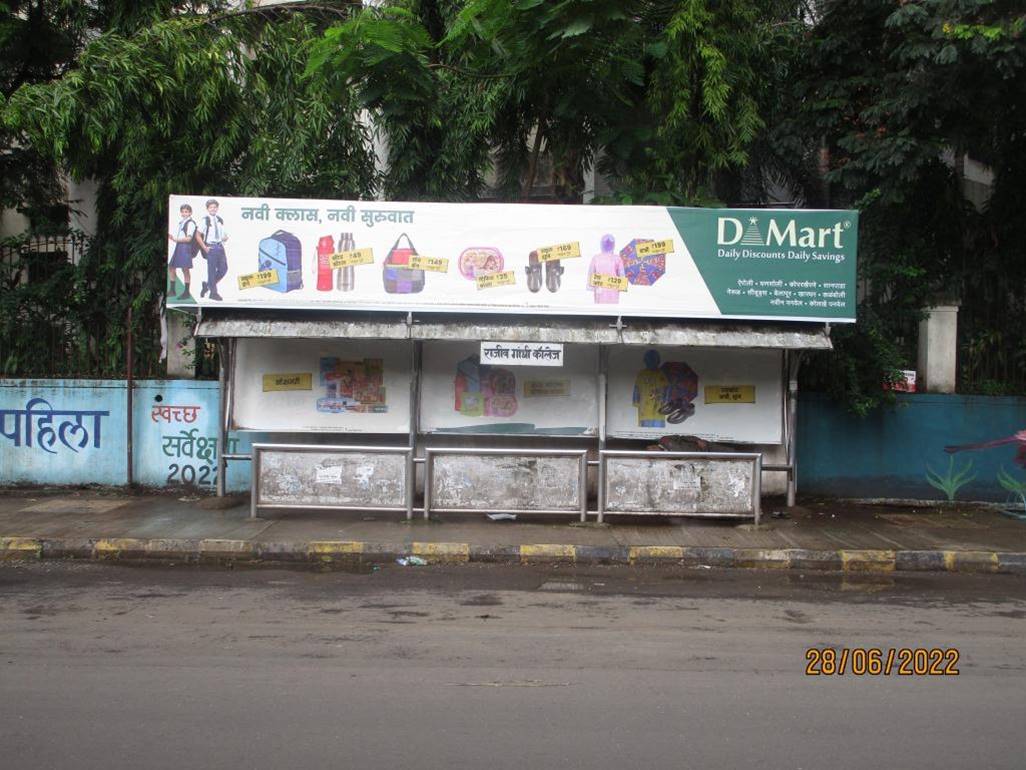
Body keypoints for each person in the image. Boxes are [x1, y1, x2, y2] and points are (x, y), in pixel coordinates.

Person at [196, 198, 228, 301]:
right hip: (211, 247)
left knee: (224, 269)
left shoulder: (219, 220)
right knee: (212, 271)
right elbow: (197, 235)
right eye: (211, 207)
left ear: (217, 208)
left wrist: (224, 238)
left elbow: (222, 234)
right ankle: (213, 294)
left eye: (215, 207)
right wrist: (204, 247)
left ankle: (208, 286)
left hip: (220, 246)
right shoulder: (205, 220)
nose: (213, 209)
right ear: (207, 209)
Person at [167, 203, 197, 300]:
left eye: (187, 212)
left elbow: (188, 239)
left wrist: (176, 239)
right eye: (183, 212)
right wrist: (173, 239)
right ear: (181, 213)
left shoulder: (191, 223)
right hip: (179, 246)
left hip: (185, 247)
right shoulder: (182, 222)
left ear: (190, 213)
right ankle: (172, 290)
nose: (185, 213)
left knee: (185, 269)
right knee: (171, 267)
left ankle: (186, 292)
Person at [633, 349, 670, 428]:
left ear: (658, 361)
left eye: (654, 360)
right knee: (645, 430)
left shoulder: (661, 374)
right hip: (644, 409)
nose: (651, 361)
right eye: (649, 359)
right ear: (645, 361)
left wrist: (665, 402)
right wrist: (636, 401)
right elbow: (636, 389)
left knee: (658, 428)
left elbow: (667, 388)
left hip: (659, 408)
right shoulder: (641, 374)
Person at [587, 233, 625, 304]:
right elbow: (622, 275)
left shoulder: (596, 258)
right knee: (611, 309)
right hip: (613, 288)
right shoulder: (617, 259)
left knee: (600, 309)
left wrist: (590, 286)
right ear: (613, 245)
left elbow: (591, 273)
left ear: (601, 244)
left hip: (599, 288)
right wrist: (621, 287)